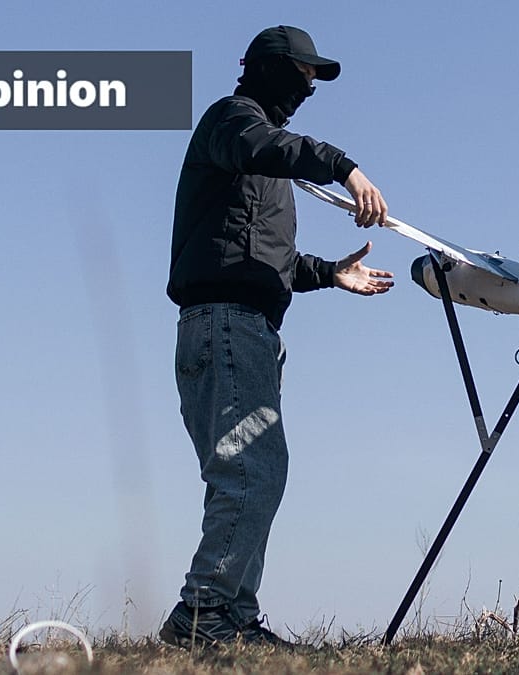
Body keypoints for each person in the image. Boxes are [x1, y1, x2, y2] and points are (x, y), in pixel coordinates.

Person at [161, 25, 394, 649]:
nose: (309, 88)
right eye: (304, 75)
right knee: (249, 469)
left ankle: (231, 617)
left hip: (243, 328)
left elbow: (266, 259)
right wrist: (344, 167)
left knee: (258, 469)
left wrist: (330, 273)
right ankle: (204, 614)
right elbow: (266, 146)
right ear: (269, 69)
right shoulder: (234, 123)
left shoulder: (260, 162)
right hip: (227, 327)